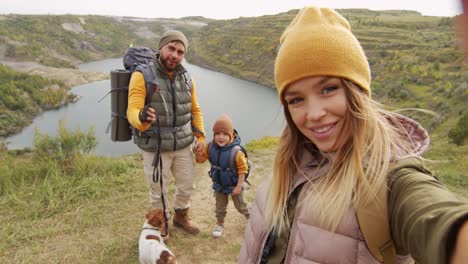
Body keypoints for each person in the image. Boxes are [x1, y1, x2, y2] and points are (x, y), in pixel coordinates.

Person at [238, 6, 468, 264]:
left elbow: (439, 220)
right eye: (296, 99)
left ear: (356, 91)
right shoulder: (290, 162)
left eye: (328, 89)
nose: (313, 114)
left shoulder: (390, 181)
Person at [127, 30, 205, 236]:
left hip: (183, 144)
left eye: (180, 52)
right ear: (161, 47)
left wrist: (201, 137)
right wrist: (142, 118)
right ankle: (161, 224)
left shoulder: (187, 77)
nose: (175, 55)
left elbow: (194, 109)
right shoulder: (142, 75)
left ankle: (180, 216)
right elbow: (132, 110)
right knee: (158, 192)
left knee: (187, 185)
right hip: (155, 145)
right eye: (171, 48)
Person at [194, 114, 250, 238]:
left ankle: (252, 219)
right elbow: (201, 159)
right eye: (217, 134)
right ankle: (220, 224)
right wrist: (198, 154)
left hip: (234, 184)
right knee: (220, 207)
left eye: (225, 134)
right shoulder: (210, 147)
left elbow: (243, 170)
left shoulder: (236, 151)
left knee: (241, 206)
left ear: (231, 135)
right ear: (213, 134)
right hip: (219, 185)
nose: (221, 137)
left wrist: (239, 186)